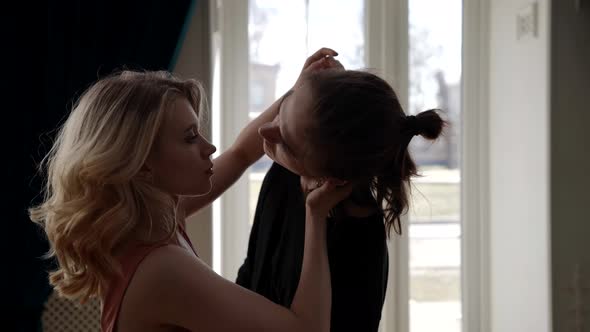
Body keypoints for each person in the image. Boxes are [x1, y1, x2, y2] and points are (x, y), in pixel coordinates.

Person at [29, 48, 351, 332]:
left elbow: (240, 154)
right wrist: (316, 213)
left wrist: (296, 94)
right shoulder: (162, 268)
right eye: (189, 137)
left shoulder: (149, 221)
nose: (209, 147)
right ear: (141, 162)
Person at [236, 66, 446, 331]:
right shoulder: (283, 176)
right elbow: (251, 276)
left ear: (333, 177)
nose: (264, 130)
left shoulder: (361, 243)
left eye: (286, 140)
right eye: (280, 113)